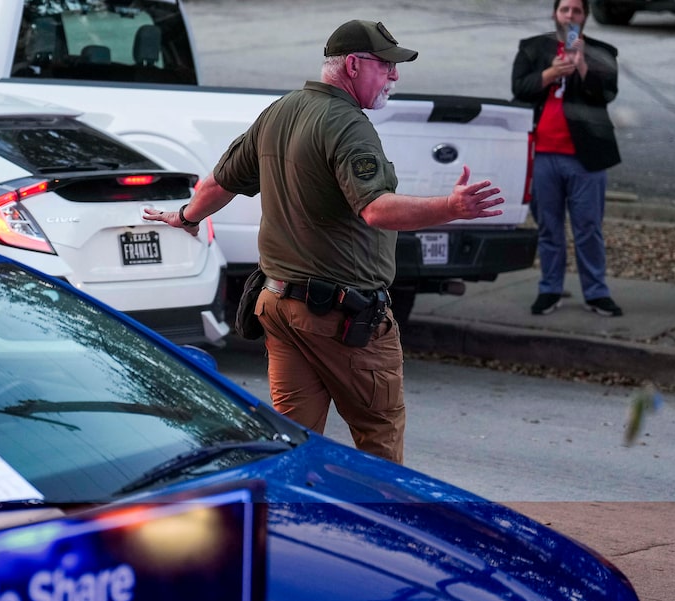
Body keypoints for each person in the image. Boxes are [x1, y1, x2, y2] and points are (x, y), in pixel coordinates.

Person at [142, 20, 504, 464]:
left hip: (280, 307)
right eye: (386, 66)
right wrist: (451, 207)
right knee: (379, 439)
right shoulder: (348, 125)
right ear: (353, 65)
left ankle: (285, 525)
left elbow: (219, 182)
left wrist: (186, 216)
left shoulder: (281, 110)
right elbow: (376, 209)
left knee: (295, 444)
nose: (394, 76)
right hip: (340, 318)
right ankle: (380, 530)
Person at [512, 0, 622, 317]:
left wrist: (583, 64)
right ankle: (550, 289)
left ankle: (597, 293)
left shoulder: (602, 51)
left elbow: (607, 94)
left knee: (588, 228)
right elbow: (519, 88)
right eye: (565, 10)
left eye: (576, 11)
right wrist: (550, 73)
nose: (570, 16)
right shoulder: (533, 48)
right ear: (555, 14)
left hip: (585, 158)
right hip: (543, 155)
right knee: (549, 228)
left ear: (585, 16)